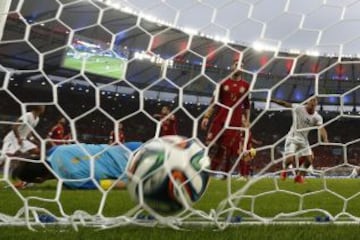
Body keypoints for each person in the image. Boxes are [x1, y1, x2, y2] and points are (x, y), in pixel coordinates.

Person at [11, 142, 142, 189]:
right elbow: (43, 160)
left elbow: (107, 184)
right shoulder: (57, 149)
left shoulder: (73, 181)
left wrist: (134, 183)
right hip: (131, 147)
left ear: (39, 180)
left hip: (137, 167)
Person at [201, 61, 251, 173]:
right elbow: (214, 101)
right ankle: (200, 167)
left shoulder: (246, 85)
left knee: (225, 149)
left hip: (235, 121)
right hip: (220, 118)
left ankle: (215, 173)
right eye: (236, 64)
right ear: (232, 67)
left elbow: (247, 105)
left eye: (241, 66)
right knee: (209, 144)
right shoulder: (223, 83)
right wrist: (206, 116)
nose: (239, 67)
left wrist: (247, 121)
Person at [271, 97, 328, 183]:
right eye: (311, 100)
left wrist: (325, 138)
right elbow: (285, 104)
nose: (312, 103)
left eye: (314, 101)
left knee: (309, 161)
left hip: (304, 140)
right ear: (307, 102)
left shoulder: (317, 117)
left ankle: (298, 176)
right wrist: (273, 100)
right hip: (293, 137)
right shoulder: (299, 108)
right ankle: (284, 170)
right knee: (290, 160)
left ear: (316, 104)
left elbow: (321, 128)